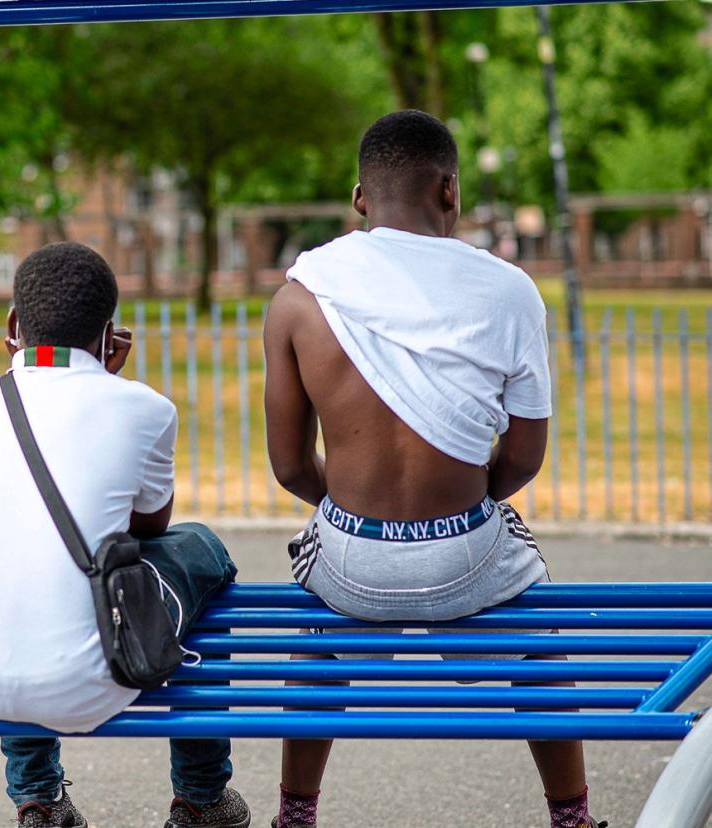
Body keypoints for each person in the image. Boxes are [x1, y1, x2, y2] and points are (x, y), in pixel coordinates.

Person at [262, 110, 602, 828]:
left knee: (316, 633)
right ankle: (571, 818)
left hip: (351, 559)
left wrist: (359, 512)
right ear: (449, 192)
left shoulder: (300, 297)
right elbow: (524, 458)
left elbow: (290, 467)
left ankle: (295, 815)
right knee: (538, 632)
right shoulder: (510, 291)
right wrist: (457, 509)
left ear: (360, 199)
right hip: (469, 556)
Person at [0, 242, 249, 828]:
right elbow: (149, 528)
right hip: (86, 681)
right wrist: (106, 376)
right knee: (202, 549)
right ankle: (202, 797)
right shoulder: (144, 408)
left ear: (12, 327)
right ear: (110, 334)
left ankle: (38, 801)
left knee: (26, 557)